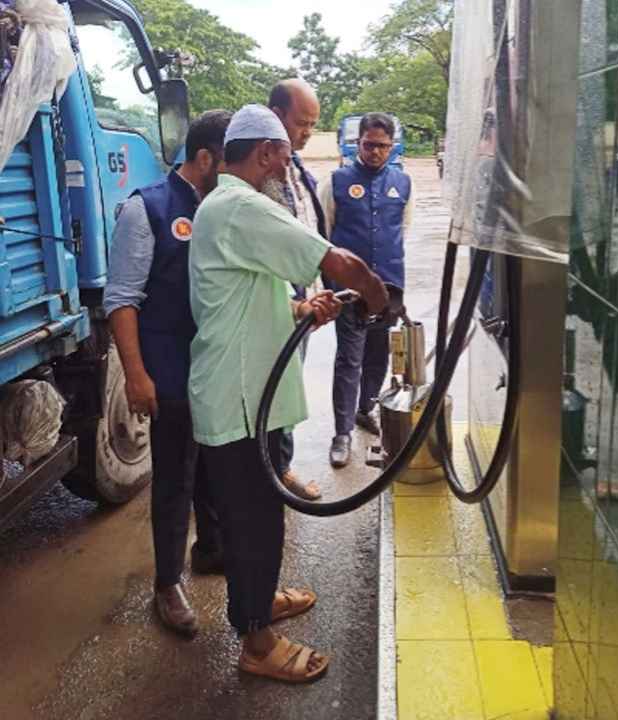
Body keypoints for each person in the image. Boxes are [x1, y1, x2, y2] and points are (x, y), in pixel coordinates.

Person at [188, 105, 388, 682]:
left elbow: (249, 293)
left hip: (248, 391)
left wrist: (303, 309)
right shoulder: (242, 204)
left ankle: (257, 599)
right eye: (285, 151)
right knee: (253, 520)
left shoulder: (225, 207)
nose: (288, 162)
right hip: (238, 397)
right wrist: (376, 295)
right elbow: (338, 260)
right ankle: (256, 641)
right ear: (267, 152)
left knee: (258, 511)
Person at [104, 110, 231, 636]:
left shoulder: (223, 208)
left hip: (214, 367)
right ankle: (167, 582)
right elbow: (122, 300)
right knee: (175, 477)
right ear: (205, 159)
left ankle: (212, 551)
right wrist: (136, 375)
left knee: (214, 468)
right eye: (231, 161)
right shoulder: (148, 209)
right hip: (170, 369)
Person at [318, 112, 413, 467]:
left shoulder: (403, 183)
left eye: (382, 146)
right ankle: (342, 433)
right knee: (349, 358)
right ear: (358, 143)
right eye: (369, 145)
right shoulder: (336, 181)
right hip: (349, 291)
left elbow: (402, 230)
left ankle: (365, 408)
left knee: (378, 354)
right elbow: (324, 233)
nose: (375, 152)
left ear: (392, 147)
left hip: (388, 286)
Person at [265, 78, 328, 499]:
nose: (307, 131)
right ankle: (273, 473)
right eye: (302, 122)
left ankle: (277, 466)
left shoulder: (297, 167)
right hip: (276, 302)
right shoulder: (260, 171)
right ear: (277, 117)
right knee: (274, 389)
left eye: (312, 124)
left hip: (302, 299)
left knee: (289, 388)